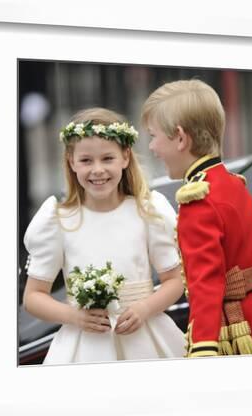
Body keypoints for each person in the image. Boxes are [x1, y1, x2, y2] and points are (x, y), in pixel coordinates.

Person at [23, 107, 186, 364]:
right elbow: (33, 297)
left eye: (107, 158)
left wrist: (145, 308)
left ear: (125, 157)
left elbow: (175, 281)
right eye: (86, 160)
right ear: (71, 161)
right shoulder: (59, 220)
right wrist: (75, 316)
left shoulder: (148, 211)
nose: (97, 170)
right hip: (84, 347)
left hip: (145, 337)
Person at [141, 79, 252, 358]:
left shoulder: (198, 199)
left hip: (231, 328)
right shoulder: (233, 183)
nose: (152, 147)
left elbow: (206, 284)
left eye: (153, 136)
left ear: (181, 138)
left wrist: (203, 347)